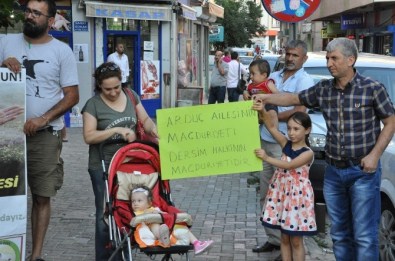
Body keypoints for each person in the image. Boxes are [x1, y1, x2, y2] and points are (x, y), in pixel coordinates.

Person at [253, 37, 395, 261]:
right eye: (328, 58)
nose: (329, 63)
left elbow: (391, 121)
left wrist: (374, 156)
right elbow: (293, 97)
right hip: (333, 173)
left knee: (365, 236)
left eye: (334, 58)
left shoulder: (372, 89)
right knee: (339, 234)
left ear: (350, 60)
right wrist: (264, 96)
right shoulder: (324, 90)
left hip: (363, 172)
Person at [0, 1, 80, 260]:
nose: (30, 16)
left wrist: (43, 118)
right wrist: (2, 65)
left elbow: (72, 96)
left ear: (51, 19)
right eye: (28, 11)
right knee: (6, 194)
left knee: (42, 196)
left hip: (44, 136)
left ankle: (35, 256)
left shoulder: (62, 51)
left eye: (37, 13)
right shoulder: (5, 42)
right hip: (7, 133)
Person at [82, 62, 158, 261]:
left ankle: (125, 248)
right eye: (108, 89)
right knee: (104, 212)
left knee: (126, 206)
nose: (114, 92)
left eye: (117, 87)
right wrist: (116, 131)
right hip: (103, 165)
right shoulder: (93, 104)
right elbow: (88, 136)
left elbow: (145, 120)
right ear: (99, 86)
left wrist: (153, 129)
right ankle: (105, 256)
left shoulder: (131, 95)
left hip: (129, 164)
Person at [249, 40, 314, 259]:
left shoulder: (305, 80)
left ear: (304, 58)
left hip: (284, 145)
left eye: (295, 55)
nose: (290, 58)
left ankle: (287, 241)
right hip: (267, 138)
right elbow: (259, 99)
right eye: (287, 54)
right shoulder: (273, 77)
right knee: (267, 193)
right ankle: (275, 241)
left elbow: (299, 109)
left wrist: (271, 116)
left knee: (287, 200)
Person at [253, 108, 316, 261]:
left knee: (296, 240)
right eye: (289, 128)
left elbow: (290, 165)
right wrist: (262, 110)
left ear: (307, 130)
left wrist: (266, 158)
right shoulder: (285, 143)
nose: (291, 132)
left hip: (298, 198)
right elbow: (271, 127)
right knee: (284, 237)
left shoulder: (307, 152)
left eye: (296, 129)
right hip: (282, 195)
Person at [130, 184, 214, 254]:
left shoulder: (154, 209)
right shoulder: (137, 213)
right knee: (154, 225)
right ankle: (163, 238)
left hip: (166, 226)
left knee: (180, 225)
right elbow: (137, 220)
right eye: (133, 201)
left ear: (149, 202)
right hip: (152, 227)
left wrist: (162, 214)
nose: (135, 203)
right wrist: (148, 214)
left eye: (139, 201)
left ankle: (196, 243)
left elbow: (164, 215)